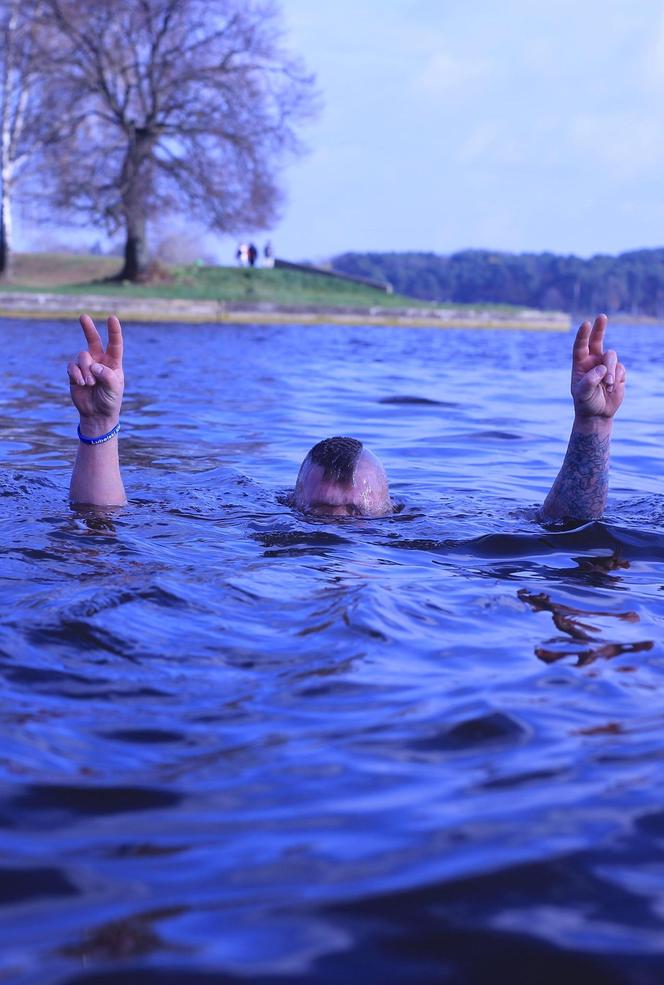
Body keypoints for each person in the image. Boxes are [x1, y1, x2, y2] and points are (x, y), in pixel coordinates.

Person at [66, 313, 626, 522]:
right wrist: (99, 425)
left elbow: (568, 526)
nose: (334, 530)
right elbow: (100, 519)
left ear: (391, 508)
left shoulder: (431, 532)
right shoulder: (243, 522)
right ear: (290, 504)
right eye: (318, 514)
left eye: (355, 515)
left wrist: (592, 425)